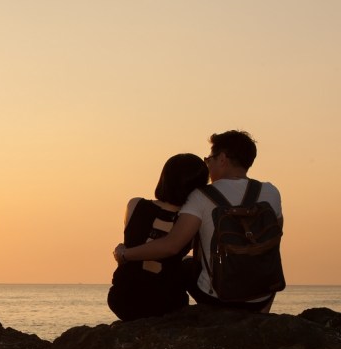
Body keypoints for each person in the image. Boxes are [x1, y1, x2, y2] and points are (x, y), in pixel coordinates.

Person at [113, 130, 283, 313]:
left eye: (209, 158)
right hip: (261, 297)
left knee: (185, 264)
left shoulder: (201, 196)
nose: (208, 164)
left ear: (222, 159)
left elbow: (171, 246)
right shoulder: (271, 192)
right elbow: (272, 244)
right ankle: (262, 313)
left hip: (221, 300)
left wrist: (124, 254)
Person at [107, 153, 209, 320]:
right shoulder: (193, 221)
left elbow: (134, 240)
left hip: (122, 298)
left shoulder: (135, 204)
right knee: (188, 264)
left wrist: (124, 254)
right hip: (166, 303)